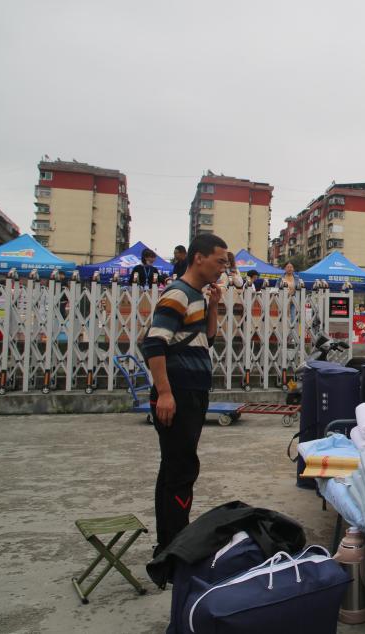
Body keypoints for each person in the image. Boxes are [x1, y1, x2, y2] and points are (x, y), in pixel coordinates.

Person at [142, 233, 227, 552]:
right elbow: (154, 343)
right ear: (198, 258)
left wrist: (214, 306)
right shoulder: (178, 293)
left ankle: (169, 543)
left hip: (193, 391)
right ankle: (173, 548)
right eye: (219, 261)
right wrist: (165, 393)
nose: (223, 268)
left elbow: (207, 339)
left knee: (175, 467)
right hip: (177, 392)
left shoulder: (197, 295)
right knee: (181, 469)